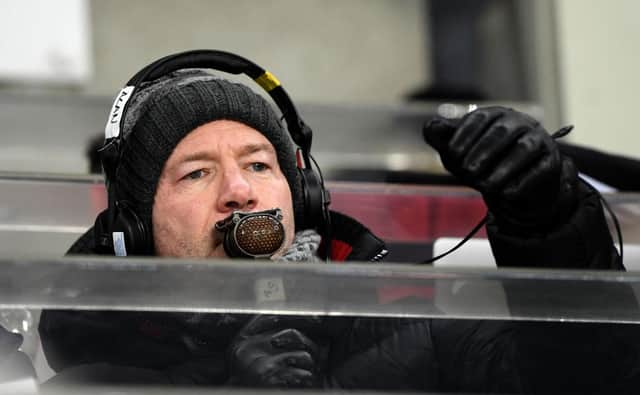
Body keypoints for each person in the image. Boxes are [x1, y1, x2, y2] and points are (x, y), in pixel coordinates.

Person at [38, 50, 638, 393]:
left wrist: (546, 218)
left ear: (301, 194)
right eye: (196, 173)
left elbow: (587, 380)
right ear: (133, 227)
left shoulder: (408, 330)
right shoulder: (92, 380)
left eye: (258, 163)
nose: (240, 192)